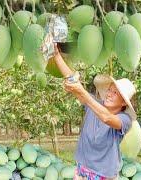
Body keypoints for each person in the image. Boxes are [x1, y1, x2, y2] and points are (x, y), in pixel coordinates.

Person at [53, 44, 136, 179]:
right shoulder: (95, 103)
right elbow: (72, 79)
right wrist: (56, 55)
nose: (109, 94)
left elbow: (106, 118)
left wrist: (82, 93)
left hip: (103, 175)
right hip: (82, 169)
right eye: (109, 89)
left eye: (115, 93)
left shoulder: (125, 119)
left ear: (123, 103)